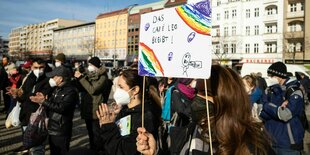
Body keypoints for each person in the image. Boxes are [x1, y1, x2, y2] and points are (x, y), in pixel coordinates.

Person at [137, 65, 275, 155]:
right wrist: (155, 152)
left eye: (206, 93)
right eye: (197, 91)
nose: (198, 98)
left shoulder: (253, 146)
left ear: (227, 98)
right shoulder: (192, 131)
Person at [96, 68, 161, 155]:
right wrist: (109, 123)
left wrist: (108, 127)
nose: (117, 90)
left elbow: (124, 151)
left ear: (135, 90)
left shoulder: (144, 117)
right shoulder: (125, 109)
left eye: (121, 87)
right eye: (117, 86)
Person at [30, 66, 78, 155]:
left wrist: (44, 101)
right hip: (52, 126)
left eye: (53, 76)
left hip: (61, 128)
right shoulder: (56, 89)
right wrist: (43, 100)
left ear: (60, 78)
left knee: (60, 152)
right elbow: (52, 105)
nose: (51, 78)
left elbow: (62, 108)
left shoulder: (71, 91)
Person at [259, 61, 305, 155]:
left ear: (279, 76)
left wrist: (266, 105)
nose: (269, 78)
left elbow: (285, 115)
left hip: (288, 144)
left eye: (271, 75)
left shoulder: (294, 91)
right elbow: (260, 111)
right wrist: (277, 109)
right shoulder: (269, 89)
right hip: (270, 140)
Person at [13, 58, 53, 154]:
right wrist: (16, 95)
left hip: (38, 119)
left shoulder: (48, 80)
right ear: (31, 67)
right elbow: (24, 97)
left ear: (45, 67)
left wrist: (25, 95)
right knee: (27, 145)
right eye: (36, 67)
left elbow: (37, 98)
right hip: (25, 117)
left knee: (37, 148)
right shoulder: (29, 77)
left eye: (41, 67)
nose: (38, 70)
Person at [74, 56, 109, 152]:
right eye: (88, 64)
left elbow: (92, 90)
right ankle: (92, 149)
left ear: (96, 66)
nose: (89, 67)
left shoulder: (103, 77)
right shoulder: (89, 74)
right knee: (90, 133)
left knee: (96, 134)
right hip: (88, 108)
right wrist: (78, 78)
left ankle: (98, 150)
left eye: (91, 65)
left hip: (96, 109)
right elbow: (82, 88)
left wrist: (81, 78)